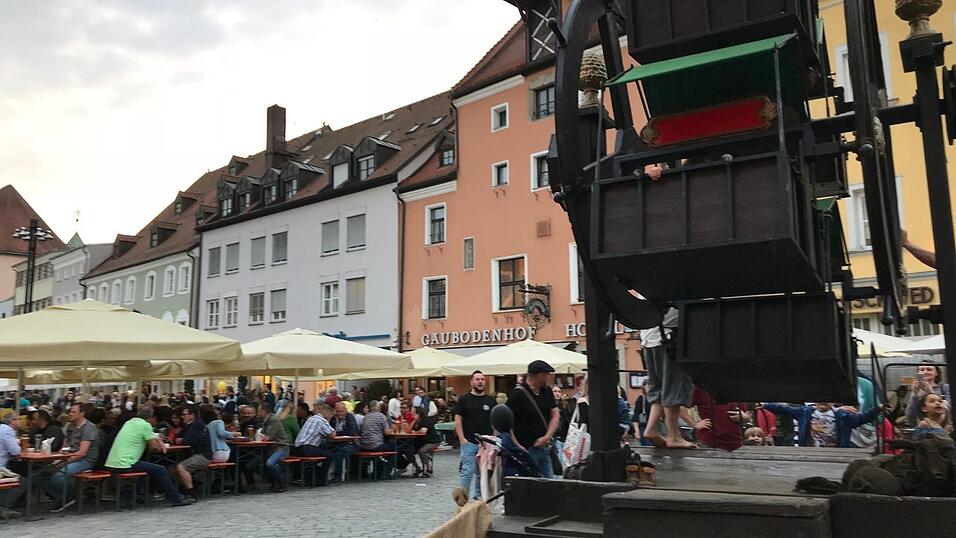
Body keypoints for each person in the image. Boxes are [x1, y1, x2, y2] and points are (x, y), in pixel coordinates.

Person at [103, 406, 194, 507]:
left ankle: (127, 499)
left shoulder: (129, 423)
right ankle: (176, 498)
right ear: (150, 417)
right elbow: (154, 447)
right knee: (161, 470)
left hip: (112, 463)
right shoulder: (145, 425)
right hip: (126, 463)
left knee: (144, 469)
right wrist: (159, 442)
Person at [641, 307, 696, 449]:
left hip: (648, 337)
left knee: (658, 387)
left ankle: (651, 429)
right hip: (669, 337)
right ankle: (674, 436)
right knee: (673, 386)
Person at [506, 360, 560, 479]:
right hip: (527, 448)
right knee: (529, 483)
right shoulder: (518, 394)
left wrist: (547, 437)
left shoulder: (547, 391)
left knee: (549, 482)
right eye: (547, 374)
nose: (549, 377)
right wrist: (517, 445)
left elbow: (555, 415)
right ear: (540, 375)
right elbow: (506, 422)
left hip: (544, 446)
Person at [44, 403, 101, 511]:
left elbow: (82, 452)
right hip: (69, 457)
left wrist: (63, 461)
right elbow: (64, 446)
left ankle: (69, 496)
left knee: (58, 476)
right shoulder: (70, 426)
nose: (70, 414)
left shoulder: (89, 428)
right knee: (42, 473)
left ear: (82, 413)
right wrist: (57, 459)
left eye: (73, 412)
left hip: (85, 460)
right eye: (70, 411)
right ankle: (61, 497)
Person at [760, 402, 880, 448]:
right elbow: (783, 409)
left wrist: (878, 409)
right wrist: (765, 405)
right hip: (811, 452)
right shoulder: (805, 412)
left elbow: (862, 418)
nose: (823, 401)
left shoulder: (842, 416)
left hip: (836, 454)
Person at [455, 371, 496, 499]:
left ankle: (478, 497)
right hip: (469, 442)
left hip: (485, 444)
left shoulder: (490, 401)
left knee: (482, 473)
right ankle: (463, 499)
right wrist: (462, 439)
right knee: (467, 472)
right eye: (477, 379)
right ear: (471, 382)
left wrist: (493, 439)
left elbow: (495, 422)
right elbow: (457, 420)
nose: (480, 381)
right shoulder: (464, 400)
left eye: (482, 379)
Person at [173, 404, 212, 501]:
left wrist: (180, 440)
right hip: (193, 454)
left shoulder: (197, 424)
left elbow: (187, 440)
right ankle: (180, 491)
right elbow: (177, 437)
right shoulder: (189, 425)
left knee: (181, 467)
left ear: (192, 415)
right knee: (171, 468)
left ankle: (191, 493)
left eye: (184, 414)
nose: (182, 417)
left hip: (203, 456)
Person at [690, 386, 746, 452]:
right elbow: (681, 407)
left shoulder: (735, 388)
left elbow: (744, 411)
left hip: (735, 441)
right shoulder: (701, 388)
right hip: (709, 441)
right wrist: (694, 424)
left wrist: (743, 416)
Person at [293, 403, 335, 486]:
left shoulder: (311, 418)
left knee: (321, 452)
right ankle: (322, 480)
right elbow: (333, 435)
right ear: (327, 413)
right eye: (331, 415)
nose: (331, 417)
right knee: (330, 455)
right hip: (307, 448)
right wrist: (329, 422)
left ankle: (312, 477)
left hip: (297, 449)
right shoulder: (321, 420)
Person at [256, 402, 290, 492]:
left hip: (281, 447)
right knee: (252, 465)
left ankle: (282, 482)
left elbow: (268, 437)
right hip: (270, 448)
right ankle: (273, 481)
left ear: (264, 411)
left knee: (270, 463)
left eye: (258, 411)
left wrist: (261, 436)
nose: (257, 413)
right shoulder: (265, 421)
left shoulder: (273, 419)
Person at [906, 361, 951, 426]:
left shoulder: (945, 388)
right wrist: (914, 395)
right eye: (922, 370)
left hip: (943, 429)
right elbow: (909, 416)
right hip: (923, 429)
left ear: (936, 373)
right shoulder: (917, 390)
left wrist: (931, 393)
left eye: (929, 369)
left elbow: (949, 410)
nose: (925, 372)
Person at [0, 413, 23, 520]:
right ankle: (3, 509)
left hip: (4, 465)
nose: (20, 421)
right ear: (12, 421)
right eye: (18, 419)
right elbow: (16, 451)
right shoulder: (8, 431)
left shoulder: (1, 428)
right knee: (24, 482)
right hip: (1, 468)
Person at [328, 402, 359, 480]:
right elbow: (329, 430)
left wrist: (337, 433)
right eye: (338, 411)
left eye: (341, 411)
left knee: (340, 453)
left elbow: (351, 431)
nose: (340, 413)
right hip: (336, 443)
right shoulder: (333, 419)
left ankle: (338, 476)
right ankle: (326, 475)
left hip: (351, 443)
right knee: (327, 451)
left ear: (345, 410)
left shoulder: (350, 418)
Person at [411, 406, 439, 477]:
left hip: (432, 441)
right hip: (421, 442)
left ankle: (427, 468)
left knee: (422, 451)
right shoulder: (416, 421)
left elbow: (423, 431)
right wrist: (413, 421)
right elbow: (409, 430)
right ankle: (417, 468)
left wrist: (415, 432)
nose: (411, 413)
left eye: (413, 412)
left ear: (418, 413)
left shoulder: (425, 420)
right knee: (408, 450)